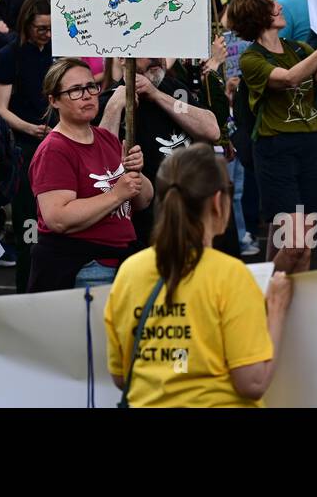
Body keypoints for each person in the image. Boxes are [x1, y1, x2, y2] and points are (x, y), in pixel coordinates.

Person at [104, 144, 299, 407]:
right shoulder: (229, 275)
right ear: (218, 202)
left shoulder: (130, 271)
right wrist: (276, 310)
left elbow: (121, 375)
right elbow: (252, 382)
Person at [228, 0, 317, 258]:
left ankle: (276, 285)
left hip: (312, 145)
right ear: (258, 14)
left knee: (303, 239)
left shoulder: (300, 49)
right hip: (276, 148)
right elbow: (289, 78)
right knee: (293, 240)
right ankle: (271, 290)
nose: (279, 6)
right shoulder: (251, 59)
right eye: (271, 3)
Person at [28, 59, 148, 291]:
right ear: (54, 100)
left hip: (120, 263)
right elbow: (58, 218)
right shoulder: (55, 149)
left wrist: (137, 174)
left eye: (91, 86)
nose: (87, 95)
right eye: (75, 90)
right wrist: (116, 194)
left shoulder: (105, 138)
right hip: (84, 267)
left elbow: (143, 200)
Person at [98, 56, 221, 246]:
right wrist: (114, 107)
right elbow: (100, 163)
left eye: (159, 50)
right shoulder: (110, 101)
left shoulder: (175, 89)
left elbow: (211, 130)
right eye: (148, 51)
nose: (156, 57)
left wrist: (156, 95)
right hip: (148, 223)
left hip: (192, 212)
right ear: (123, 58)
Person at [0, 0, 55, 290]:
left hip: (57, 139)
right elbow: (1, 108)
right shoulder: (9, 56)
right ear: (26, 25)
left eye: (52, 27)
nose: (47, 34)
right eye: (41, 28)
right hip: (25, 146)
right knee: (27, 222)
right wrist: (30, 128)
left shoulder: (58, 52)